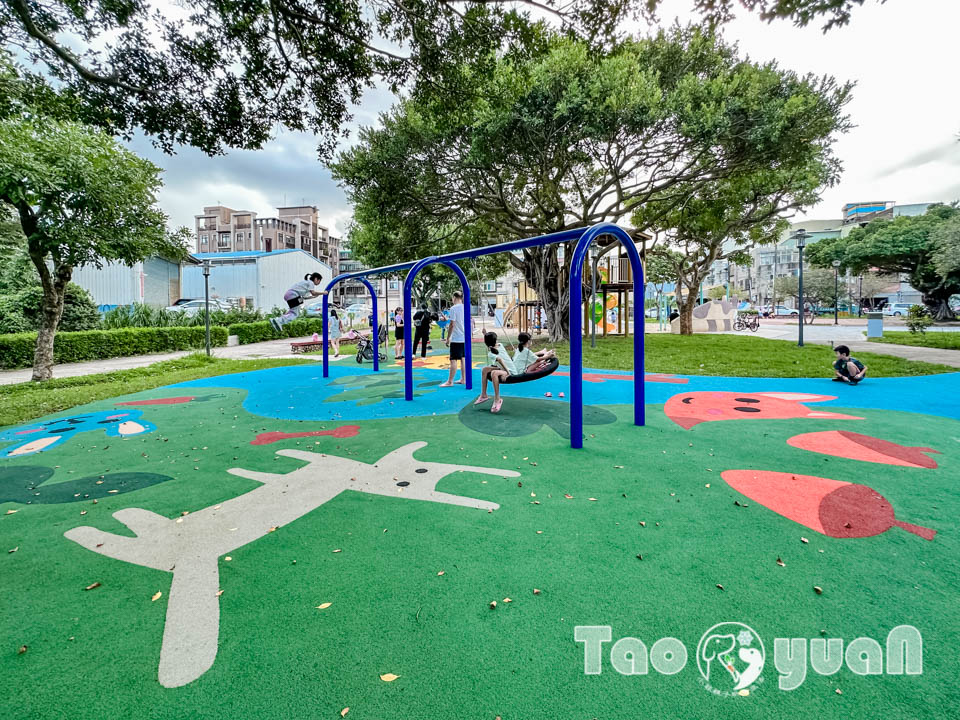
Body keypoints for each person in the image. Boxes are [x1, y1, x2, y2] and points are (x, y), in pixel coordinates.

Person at [474, 332, 518, 413]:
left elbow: (500, 360)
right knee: (484, 369)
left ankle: (497, 399)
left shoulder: (491, 353)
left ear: (486, 343)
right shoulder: (500, 345)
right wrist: (485, 333)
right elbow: (491, 342)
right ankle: (484, 395)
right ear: (495, 340)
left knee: (494, 373)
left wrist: (508, 372)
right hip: (504, 367)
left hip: (510, 370)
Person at [440, 291, 466, 387]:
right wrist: (447, 319)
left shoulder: (454, 308)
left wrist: (448, 338)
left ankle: (450, 381)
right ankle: (463, 379)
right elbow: (459, 320)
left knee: (453, 359)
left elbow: (452, 324)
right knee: (463, 358)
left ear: (454, 297)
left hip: (457, 338)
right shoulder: (465, 307)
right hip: (464, 337)